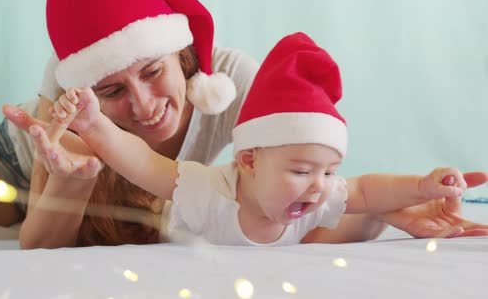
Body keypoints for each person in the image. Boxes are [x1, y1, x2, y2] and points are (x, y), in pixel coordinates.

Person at [0, 0, 487, 246]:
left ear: (179, 54)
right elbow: (43, 250)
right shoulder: (73, 114)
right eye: (113, 92)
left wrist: (386, 208)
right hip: (15, 163)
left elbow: (294, 208)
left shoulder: (234, 82)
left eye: (152, 72)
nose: (145, 105)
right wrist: (72, 182)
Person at [40, 33, 484, 245]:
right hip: (160, 224)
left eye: (327, 170)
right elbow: (141, 161)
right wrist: (95, 126)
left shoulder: (316, 193)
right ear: (249, 160)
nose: (319, 184)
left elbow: (367, 187)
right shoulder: (208, 191)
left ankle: (396, 217)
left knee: (366, 216)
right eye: (300, 170)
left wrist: (424, 186)